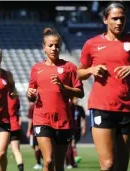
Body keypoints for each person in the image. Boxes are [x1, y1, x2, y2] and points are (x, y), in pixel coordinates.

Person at [77, 2, 130, 171]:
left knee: (121, 167)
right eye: (114, 19)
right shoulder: (91, 44)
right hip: (101, 107)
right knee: (107, 165)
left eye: (122, 18)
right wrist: (91, 70)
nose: (119, 22)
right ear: (105, 19)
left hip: (127, 108)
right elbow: (78, 73)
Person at [27, 27, 84, 171]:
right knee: (48, 160)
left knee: (59, 165)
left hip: (63, 121)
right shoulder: (36, 68)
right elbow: (31, 94)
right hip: (42, 119)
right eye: (50, 45)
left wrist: (63, 87)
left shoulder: (69, 67)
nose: (54, 48)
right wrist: (30, 94)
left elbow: (80, 92)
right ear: (44, 48)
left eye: (57, 45)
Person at [65, 97, 86, 169]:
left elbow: (83, 119)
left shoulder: (80, 108)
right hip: (69, 129)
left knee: (72, 145)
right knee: (71, 145)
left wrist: (83, 128)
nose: (76, 100)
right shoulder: (69, 107)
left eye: (77, 99)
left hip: (77, 130)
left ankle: (71, 162)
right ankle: (69, 163)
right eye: (75, 98)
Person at [8, 95, 24, 171]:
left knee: (1, 152)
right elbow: (17, 108)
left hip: (3, 126)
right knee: (16, 150)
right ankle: (21, 168)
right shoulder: (15, 96)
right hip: (15, 125)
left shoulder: (0, 95)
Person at [26, 101, 43, 170]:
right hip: (42, 128)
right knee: (38, 147)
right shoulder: (39, 105)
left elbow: (30, 120)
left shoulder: (32, 107)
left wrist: (28, 130)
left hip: (36, 129)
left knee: (36, 147)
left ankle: (38, 163)